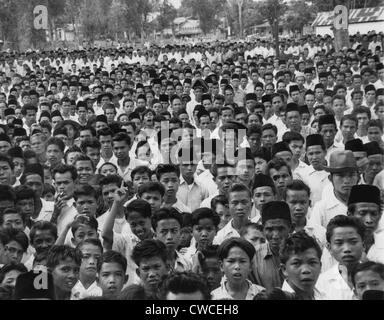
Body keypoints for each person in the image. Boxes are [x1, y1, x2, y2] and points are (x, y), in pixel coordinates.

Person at [316, 215, 365, 300]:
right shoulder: (321, 283)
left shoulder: (378, 277)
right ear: (329, 247)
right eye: (339, 243)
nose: (347, 249)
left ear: (363, 245)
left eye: (353, 242)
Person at [309, 150, 360, 229]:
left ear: (358, 178)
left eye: (351, 175)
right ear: (330, 178)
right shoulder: (321, 208)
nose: (346, 181)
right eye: (340, 176)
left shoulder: (365, 205)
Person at [251, 201, 292, 292]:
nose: (275, 235)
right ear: (263, 230)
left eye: (281, 229)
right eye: (269, 229)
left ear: (291, 228)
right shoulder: (253, 256)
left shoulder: (302, 253)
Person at [347, 185, 384, 264]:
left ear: (380, 215)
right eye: (362, 213)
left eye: (374, 214)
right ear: (350, 215)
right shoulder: (337, 245)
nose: (369, 220)